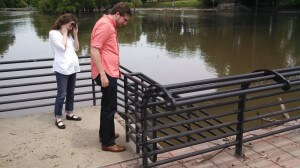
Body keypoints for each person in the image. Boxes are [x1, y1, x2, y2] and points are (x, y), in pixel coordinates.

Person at [90, 2, 132, 152]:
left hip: (109, 71)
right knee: (110, 108)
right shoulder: (105, 25)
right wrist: (103, 75)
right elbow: (94, 50)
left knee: (107, 106)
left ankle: (105, 134)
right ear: (117, 14)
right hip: (106, 73)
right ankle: (108, 143)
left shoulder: (109, 24)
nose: (125, 23)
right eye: (125, 20)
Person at [49, 13, 82, 129]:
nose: (71, 27)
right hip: (62, 68)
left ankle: (69, 113)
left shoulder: (69, 35)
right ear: (63, 22)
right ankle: (58, 117)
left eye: (73, 25)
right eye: (70, 24)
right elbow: (62, 48)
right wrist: (64, 33)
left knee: (71, 92)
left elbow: (77, 48)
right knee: (62, 94)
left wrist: (75, 34)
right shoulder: (53, 34)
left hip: (72, 67)